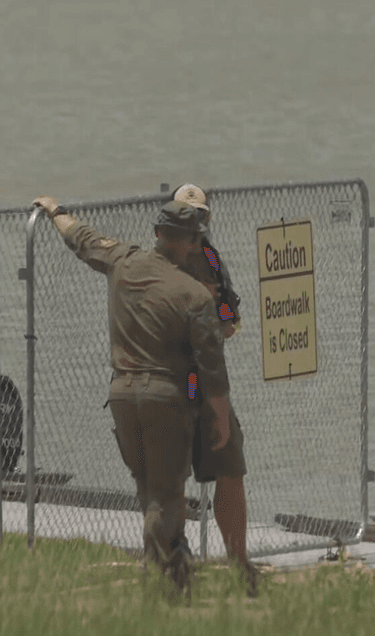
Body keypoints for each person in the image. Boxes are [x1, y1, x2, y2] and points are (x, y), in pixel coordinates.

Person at [32, 195, 233, 596]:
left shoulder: (123, 260)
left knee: (148, 488)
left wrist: (55, 211)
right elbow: (212, 368)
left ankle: (166, 571)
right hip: (166, 397)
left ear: (158, 234)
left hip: (123, 396)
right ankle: (164, 580)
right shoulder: (195, 295)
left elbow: (82, 238)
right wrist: (221, 418)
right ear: (193, 243)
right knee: (167, 492)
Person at [170, 183, 257, 595]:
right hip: (169, 379)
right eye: (186, 215)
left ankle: (239, 561)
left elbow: (230, 320)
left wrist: (218, 318)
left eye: (200, 216)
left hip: (207, 380)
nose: (195, 224)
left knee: (230, 466)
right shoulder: (158, 261)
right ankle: (174, 563)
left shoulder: (209, 257)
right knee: (168, 476)